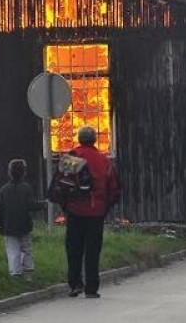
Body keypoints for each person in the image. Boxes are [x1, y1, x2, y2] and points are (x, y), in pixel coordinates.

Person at [62, 126, 120, 299]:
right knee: (93, 251)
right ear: (94, 140)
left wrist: (66, 207)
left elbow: (62, 185)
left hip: (74, 211)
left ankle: (74, 284)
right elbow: (114, 188)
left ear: (79, 139)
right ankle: (91, 289)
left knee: (73, 249)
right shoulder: (104, 160)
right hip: (96, 213)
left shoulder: (71, 157)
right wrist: (104, 208)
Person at [0, 158, 44, 280]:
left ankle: (15, 273)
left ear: (9, 172)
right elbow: (31, 205)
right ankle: (28, 271)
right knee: (26, 248)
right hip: (24, 225)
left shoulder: (4, 189)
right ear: (24, 172)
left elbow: (0, 210)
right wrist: (43, 204)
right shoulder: (26, 188)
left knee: (12, 250)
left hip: (9, 225)